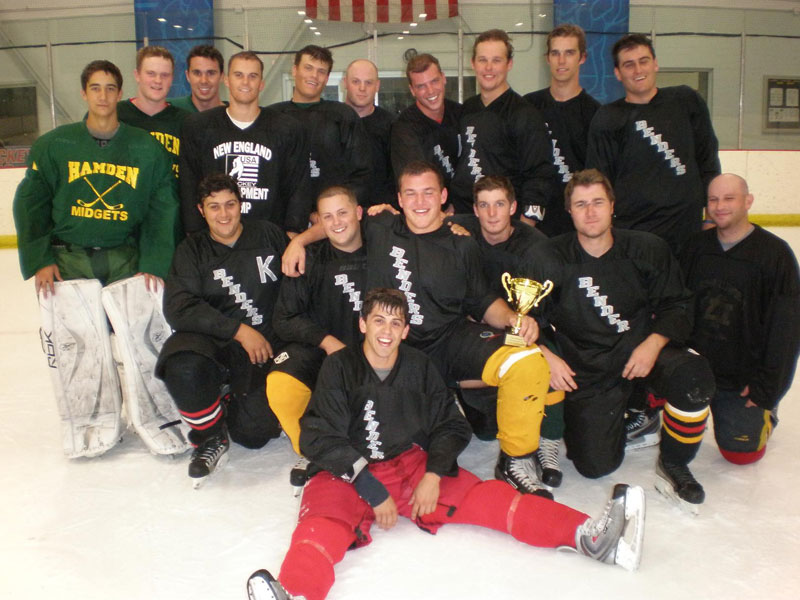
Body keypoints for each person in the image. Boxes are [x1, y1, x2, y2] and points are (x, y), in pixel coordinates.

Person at [246, 288, 646, 600]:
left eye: (396, 323)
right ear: (363, 324)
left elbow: (451, 425)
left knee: (492, 499)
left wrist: (434, 473)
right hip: (346, 473)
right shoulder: (339, 366)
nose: (387, 331)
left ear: (406, 330)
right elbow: (317, 435)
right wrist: (369, 486)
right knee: (320, 528)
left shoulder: (419, 366)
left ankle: (592, 537)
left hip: (407, 466)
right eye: (378, 320)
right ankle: (296, 592)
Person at [285, 161, 558, 497]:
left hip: (449, 340)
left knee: (526, 359)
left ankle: (516, 459)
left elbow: (482, 301)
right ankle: (337, 447)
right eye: (410, 194)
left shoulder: (462, 243)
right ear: (399, 199)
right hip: (395, 349)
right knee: (385, 422)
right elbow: (337, 224)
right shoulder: (380, 225)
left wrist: (514, 319)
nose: (419, 201)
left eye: (428, 192)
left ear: (442, 196)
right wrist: (298, 242)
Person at [525, 168, 715, 513]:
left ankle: (673, 461)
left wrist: (653, 343)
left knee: (693, 376)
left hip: (641, 352)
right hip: (587, 367)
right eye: (581, 204)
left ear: (613, 206)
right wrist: (545, 355)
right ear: (569, 211)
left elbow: (678, 304)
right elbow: (526, 319)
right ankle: (628, 410)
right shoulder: (547, 257)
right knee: (594, 465)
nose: (590, 212)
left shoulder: (648, 249)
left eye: (598, 202)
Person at [156, 173, 287, 486]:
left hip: (264, 345)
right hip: (214, 341)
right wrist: (237, 330)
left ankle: (227, 400)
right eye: (214, 207)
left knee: (254, 435)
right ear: (201, 211)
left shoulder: (268, 235)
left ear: (241, 205)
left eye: (230, 204)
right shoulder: (192, 249)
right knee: (183, 367)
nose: (224, 214)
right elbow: (178, 307)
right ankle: (210, 435)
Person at [14, 59, 178, 293]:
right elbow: (31, 206)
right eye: (95, 88)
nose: (103, 96)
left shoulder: (147, 149)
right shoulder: (55, 145)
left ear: (120, 94)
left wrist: (153, 262)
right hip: (67, 260)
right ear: (84, 93)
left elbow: (162, 210)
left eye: (110, 88)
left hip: (125, 259)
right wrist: (41, 261)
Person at [448, 175, 564, 486]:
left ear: (513, 207)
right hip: (477, 333)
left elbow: (535, 321)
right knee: (486, 432)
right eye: (484, 205)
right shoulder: (459, 229)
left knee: (546, 358)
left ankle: (548, 439)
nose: (492, 213)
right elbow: (417, 218)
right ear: (474, 210)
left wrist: (542, 351)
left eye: (499, 204)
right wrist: (383, 211)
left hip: (525, 328)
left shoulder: (535, 250)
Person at [680, 173, 800, 465]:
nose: (720, 206)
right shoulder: (695, 247)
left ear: (748, 201)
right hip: (697, 367)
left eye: (729, 198)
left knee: (741, 455)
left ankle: (766, 415)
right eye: (713, 199)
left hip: (741, 378)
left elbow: (785, 331)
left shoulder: (775, 255)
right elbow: (676, 306)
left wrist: (767, 389)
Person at [267, 186, 367, 488]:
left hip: (376, 353)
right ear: (319, 222)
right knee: (281, 382)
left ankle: (360, 442)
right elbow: (284, 319)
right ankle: (316, 450)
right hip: (325, 351)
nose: (336, 222)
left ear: (359, 213)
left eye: (343, 213)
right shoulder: (308, 258)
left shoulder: (383, 244)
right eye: (328, 217)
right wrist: (327, 341)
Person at [585, 33, 720, 255]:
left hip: (687, 232)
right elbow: (599, 180)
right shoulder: (608, 117)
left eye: (644, 61)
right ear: (617, 73)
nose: (638, 70)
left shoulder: (686, 101)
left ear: (655, 64)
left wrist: (712, 217)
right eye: (629, 65)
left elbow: (708, 161)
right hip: (633, 235)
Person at [179, 51, 310, 236]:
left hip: (269, 239)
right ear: (226, 80)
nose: (245, 82)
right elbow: (189, 185)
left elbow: (298, 187)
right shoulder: (198, 127)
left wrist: (293, 234)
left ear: (261, 83)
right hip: (215, 239)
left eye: (253, 76)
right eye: (238, 75)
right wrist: (195, 234)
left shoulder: (287, 129)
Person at [449, 29, 558, 221]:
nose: (488, 67)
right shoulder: (467, 109)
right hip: (464, 217)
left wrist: (527, 225)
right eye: (482, 60)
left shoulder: (525, 114)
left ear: (509, 64)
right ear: (473, 63)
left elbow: (540, 175)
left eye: (496, 60)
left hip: (504, 222)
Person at [270, 45, 372, 207]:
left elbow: (362, 173)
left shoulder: (343, 116)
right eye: (308, 68)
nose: (314, 76)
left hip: (332, 216)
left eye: (321, 71)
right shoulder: (272, 117)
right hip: (283, 215)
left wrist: (335, 210)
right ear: (295, 70)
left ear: (327, 78)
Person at [524, 23, 600, 236]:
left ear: (582, 58)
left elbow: (599, 177)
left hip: (577, 225)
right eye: (555, 53)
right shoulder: (527, 107)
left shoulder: (596, 114)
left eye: (569, 53)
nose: (562, 60)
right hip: (533, 223)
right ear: (547, 58)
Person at [390, 53, 462, 201]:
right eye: (421, 86)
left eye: (434, 81)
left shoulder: (462, 114)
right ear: (412, 90)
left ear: (443, 78)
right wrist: (445, 206)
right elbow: (416, 181)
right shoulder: (404, 128)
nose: (430, 91)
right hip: (431, 205)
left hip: (465, 204)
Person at [116, 46, 190, 178]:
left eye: (165, 75)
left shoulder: (186, 122)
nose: (158, 80)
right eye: (151, 73)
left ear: (172, 78)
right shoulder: (116, 115)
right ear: (137, 75)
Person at [343, 58, 396, 206]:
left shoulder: (392, 126)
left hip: (379, 211)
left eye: (368, 82)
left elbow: (397, 176)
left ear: (377, 85)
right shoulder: (330, 122)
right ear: (345, 83)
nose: (362, 88)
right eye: (356, 81)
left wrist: (388, 207)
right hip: (338, 212)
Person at [170, 44, 225, 113]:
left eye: (211, 73)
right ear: (187, 76)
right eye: (197, 73)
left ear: (221, 76)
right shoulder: (171, 109)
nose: (204, 81)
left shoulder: (233, 115)